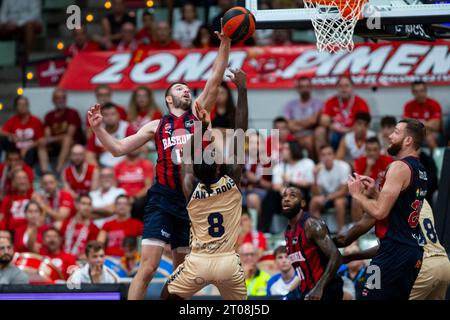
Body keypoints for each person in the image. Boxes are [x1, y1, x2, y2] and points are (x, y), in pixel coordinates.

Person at [87, 26, 231, 300]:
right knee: (148, 267)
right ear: (169, 98)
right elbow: (118, 149)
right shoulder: (156, 125)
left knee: (182, 276)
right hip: (162, 199)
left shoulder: (199, 115)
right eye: (180, 89)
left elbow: (215, 77)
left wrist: (224, 43)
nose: (186, 91)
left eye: (188, 89)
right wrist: (99, 130)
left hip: (192, 203)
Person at [160, 68, 248, 300]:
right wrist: (242, 88)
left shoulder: (190, 186)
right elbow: (241, 130)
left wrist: (200, 127)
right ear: (219, 167)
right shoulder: (232, 182)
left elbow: (186, 158)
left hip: (197, 262)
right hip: (228, 262)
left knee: (166, 297)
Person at [347, 119, 428, 300]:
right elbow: (399, 208)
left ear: (408, 140)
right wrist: (376, 193)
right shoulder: (420, 169)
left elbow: (379, 212)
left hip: (394, 251)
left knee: (367, 297)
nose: (390, 136)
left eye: (396, 132)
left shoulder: (399, 166)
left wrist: (357, 195)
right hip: (412, 250)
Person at [336, 199, 450, 300]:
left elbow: (351, 234)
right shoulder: (422, 200)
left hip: (422, 264)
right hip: (442, 261)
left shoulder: (390, 200)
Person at [282, 186, 343, 300]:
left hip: (325, 289)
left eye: (292, 196)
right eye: (284, 196)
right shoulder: (288, 232)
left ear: (303, 203)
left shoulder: (311, 224)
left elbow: (336, 256)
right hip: (307, 290)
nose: (286, 199)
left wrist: (319, 287)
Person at [316, 76, 370, 150]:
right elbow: (323, 120)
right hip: (335, 132)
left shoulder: (361, 102)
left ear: (352, 87)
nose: (343, 89)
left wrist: (349, 130)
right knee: (320, 131)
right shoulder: (331, 101)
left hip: (353, 132)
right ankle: (324, 159)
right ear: (337, 88)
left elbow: (365, 123)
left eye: (346, 86)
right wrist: (333, 127)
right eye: (340, 86)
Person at [0, 95, 48, 172]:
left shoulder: (35, 120)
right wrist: (11, 135)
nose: (22, 107)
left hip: (31, 149)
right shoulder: (13, 120)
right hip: (16, 147)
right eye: (19, 104)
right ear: (16, 107)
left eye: (24, 105)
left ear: (27, 106)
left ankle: (27, 172)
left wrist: (27, 147)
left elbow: (41, 140)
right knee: (2, 140)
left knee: (32, 150)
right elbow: (2, 132)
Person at [310, 145, 351, 231]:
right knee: (314, 201)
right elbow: (316, 194)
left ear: (334, 155)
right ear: (320, 157)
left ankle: (341, 232)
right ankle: (318, 232)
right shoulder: (318, 169)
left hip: (342, 196)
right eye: (323, 155)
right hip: (327, 196)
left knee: (339, 202)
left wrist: (328, 197)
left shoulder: (343, 166)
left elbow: (344, 190)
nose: (327, 157)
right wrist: (315, 177)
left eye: (329, 154)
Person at [352, 137, 393, 221]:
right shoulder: (359, 161)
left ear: (379, 150)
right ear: (365, 151)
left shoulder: (388, 160)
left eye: (375, 150)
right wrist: (369, 166)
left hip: (383, 192)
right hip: (367, 192)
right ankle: (358, 227)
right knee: (355, 199)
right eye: (369, 150)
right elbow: (360, 185)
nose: (372, 153)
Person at [44, 88, 83, 173]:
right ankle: (45, 172)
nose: (60, 100)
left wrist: (52, 139)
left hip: (74, 143)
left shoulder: (73, 113)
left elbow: (70, 134)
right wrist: (51, 139)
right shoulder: (49, 116)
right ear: (53, 100)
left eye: (62, 98)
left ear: (66, 99)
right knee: (41, 142)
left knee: (67, 139)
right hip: (55, 144)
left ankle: (58, 169)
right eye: (57, 98)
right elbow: (47, 136)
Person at [284, 76, 323, 159]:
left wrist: (296, 121)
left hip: (311, 135)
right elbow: (289, 124)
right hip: (295, 135)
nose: (304, 89)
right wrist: (306, 123)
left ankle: (314, 163)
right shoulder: (290, 105)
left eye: (307, 86)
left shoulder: (317, 103)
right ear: (297, 89)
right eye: (302, 87)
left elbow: (313, 120)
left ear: (311, 88)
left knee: (308, 141)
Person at [86, 103, 136, 168]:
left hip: (124, 167)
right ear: (101, 117)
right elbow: (89, 155)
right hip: (103, 167)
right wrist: (98, 170)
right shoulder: (97, 129)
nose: (110, 117)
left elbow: (136, 151)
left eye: (113, 114)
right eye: (106, 115)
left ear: (118, 115)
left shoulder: (126, 128)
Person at [114, 147, 154, 220]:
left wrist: (134, 197)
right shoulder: (118, 166)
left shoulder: (146, 164)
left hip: (139, 199)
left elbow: (148, 186)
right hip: (122, 197)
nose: (134, 148)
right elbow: (114, 187)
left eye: (137, 145)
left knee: (138, 204)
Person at [403, 81, 442, 150]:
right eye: (416, 92)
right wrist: (426, 124)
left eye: (422, 91)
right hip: (415, 133)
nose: (420, 94)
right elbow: (406, 124)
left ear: (426, 91)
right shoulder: (408, 105)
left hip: (433, 133)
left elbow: (436, 125)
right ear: (413, 93)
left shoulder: (434, 104)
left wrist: (416, 123)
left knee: (430, 137)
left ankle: (435, 159)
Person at [59, 195, 99, 259]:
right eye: (83, 204)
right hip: (62, 259)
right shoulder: (66, 224)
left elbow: (92, 251)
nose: (86, 207)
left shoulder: (93, 228)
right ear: (76, 205)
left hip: (80, 262)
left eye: (89, 205)